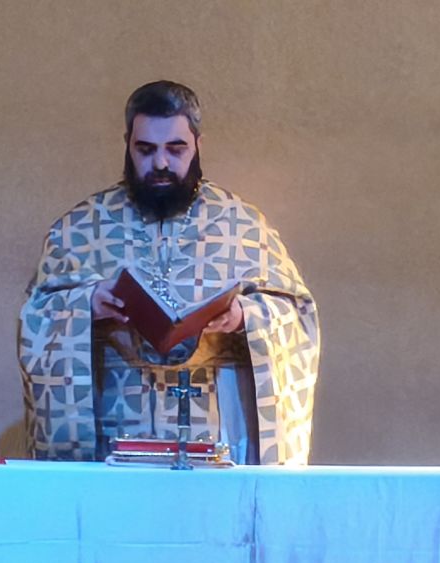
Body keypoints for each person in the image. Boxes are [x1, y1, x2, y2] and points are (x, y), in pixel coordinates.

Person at [18, 81, 320, 465]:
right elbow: (35, 317)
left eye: (176, 149)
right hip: (113, 423)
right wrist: (86, 303)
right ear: (127, 144)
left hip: (217, 422)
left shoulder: (243, 225)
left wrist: (246, 315)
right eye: (145, 150)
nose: (160, 163)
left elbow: (298, 314)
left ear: (198, 144)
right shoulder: (80, 228)